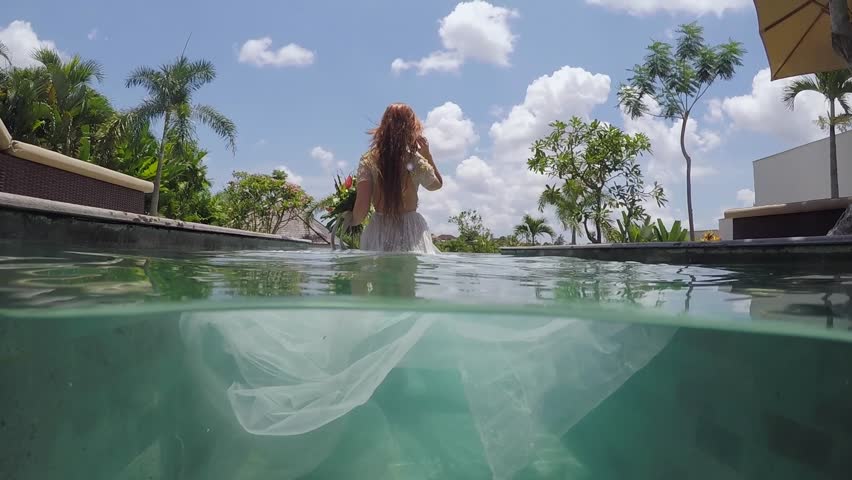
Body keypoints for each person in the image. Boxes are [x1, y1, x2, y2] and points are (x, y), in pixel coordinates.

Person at [343, 103, 443, 253]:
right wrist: (428, 156)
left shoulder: (369, 160)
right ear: (412, 128)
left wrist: (350, 221)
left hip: (379, 228)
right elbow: (436, 185)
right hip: (410, 229)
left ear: (383, 126)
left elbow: (362, 207)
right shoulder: (416, 160)